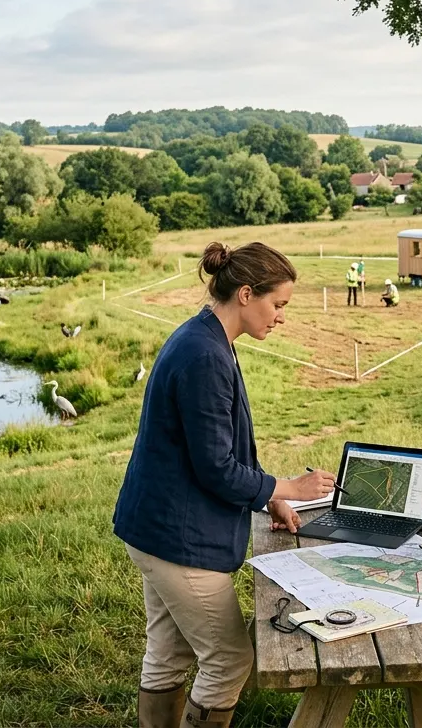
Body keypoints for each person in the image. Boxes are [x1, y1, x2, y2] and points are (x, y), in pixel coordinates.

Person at [114, 241, 336, 728]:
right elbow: (215, 466)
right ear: (246, 293)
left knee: (168, 651)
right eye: (277, 305)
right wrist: (290, 488)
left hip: (151, 526)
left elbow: (222, 447)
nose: (281, 318)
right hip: (176, 538)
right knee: (229, 660)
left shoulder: (207, 338)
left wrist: (269, 497)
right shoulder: (205, 356)